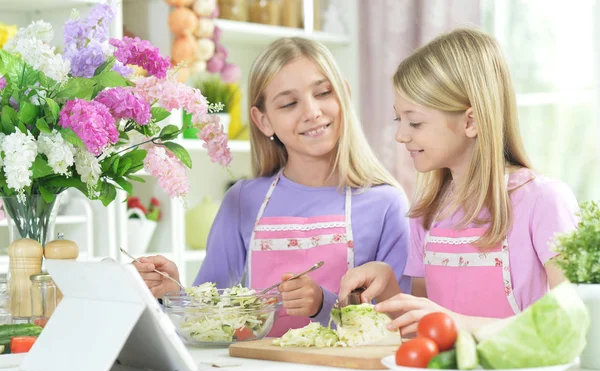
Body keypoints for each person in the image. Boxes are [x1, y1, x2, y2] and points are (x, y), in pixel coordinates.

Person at [134, 37, 411, 337]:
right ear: (263, 121)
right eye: (289, 103)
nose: (312, 111)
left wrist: (323, 304)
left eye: (323, 93)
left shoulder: (387, 204)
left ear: (344, 93)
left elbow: (395, 328)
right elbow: (209, 316)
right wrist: (173, 292)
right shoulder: (242, 200)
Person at [338, 28, 579, 335]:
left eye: (415, 121)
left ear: (471, 121)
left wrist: (458, 324)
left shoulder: (543, 200)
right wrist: (387, 285)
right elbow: (421, 329)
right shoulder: (426, 214)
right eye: (399, 119)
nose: (401, 135)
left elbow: (569, 322)